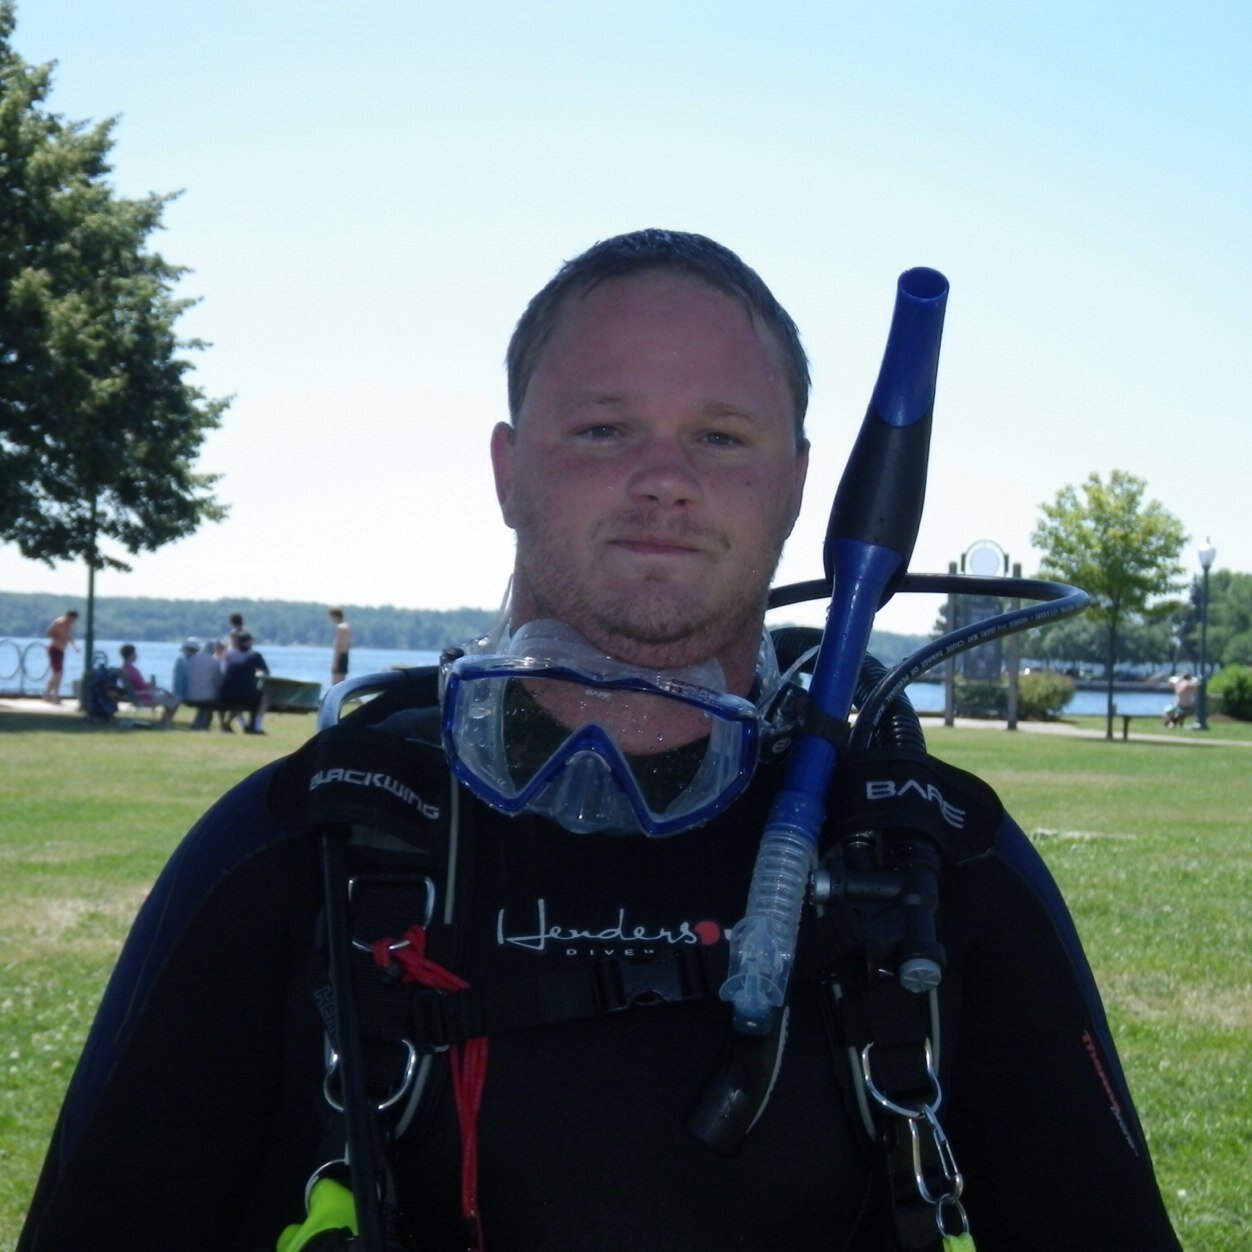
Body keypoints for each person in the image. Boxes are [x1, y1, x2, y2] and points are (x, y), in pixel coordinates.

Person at [18, 231, 1181, 1251]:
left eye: (722, 437)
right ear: (507, 468)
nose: (663, 479)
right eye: (602, 427)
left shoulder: (926, 864)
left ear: (800, 489)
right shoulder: (306, 850)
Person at [218, 631, 269, 734]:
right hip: (245, 693)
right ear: (248, 642)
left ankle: (244, 725)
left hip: (225, 693)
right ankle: (256, 727)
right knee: (264, 700)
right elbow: (265, 672)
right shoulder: (254, 655)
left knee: (235, 704)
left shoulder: (228, 654)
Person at [116, 644, 177, 724]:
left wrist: (151, 686)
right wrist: (161, 689)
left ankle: (164, 721)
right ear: (130, 655)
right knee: (173, 699)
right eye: (134, 653)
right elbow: (143, 687)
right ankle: (165, 722)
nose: (136, 655)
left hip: (136, 695)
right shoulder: (132, 670)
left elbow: (138, 685)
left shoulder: (124, 668)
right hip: (143, 697)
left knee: (167, 696)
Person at [184, 638, 224, 731]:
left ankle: (199, 724)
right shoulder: (214, 663)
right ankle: (201, 725)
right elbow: (219, 681)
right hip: (207, 697)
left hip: (190, 695)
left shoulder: (192, 659)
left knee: (204, 706)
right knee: (211, 702)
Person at [41, 610, 79, 704]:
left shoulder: (68, 626)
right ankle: (54, 696)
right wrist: (57, 636)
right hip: (54, 649)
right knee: (58, 673)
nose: (73, 622)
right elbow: (48, 632)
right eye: (73, 620)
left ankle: (47, 694)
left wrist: (75, 646)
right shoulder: (59, 622)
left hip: (61, 650)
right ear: (69, 617)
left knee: (57, 673)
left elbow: (69, 637)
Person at [329, 606, 352, 686]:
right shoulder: (346, 626)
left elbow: (339, 647)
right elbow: (348, 645)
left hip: (340, 657)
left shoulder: (340, 627)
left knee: (336, 684)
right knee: (342, 682)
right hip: (345, 656)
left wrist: (334, 663)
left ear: (335, 616)